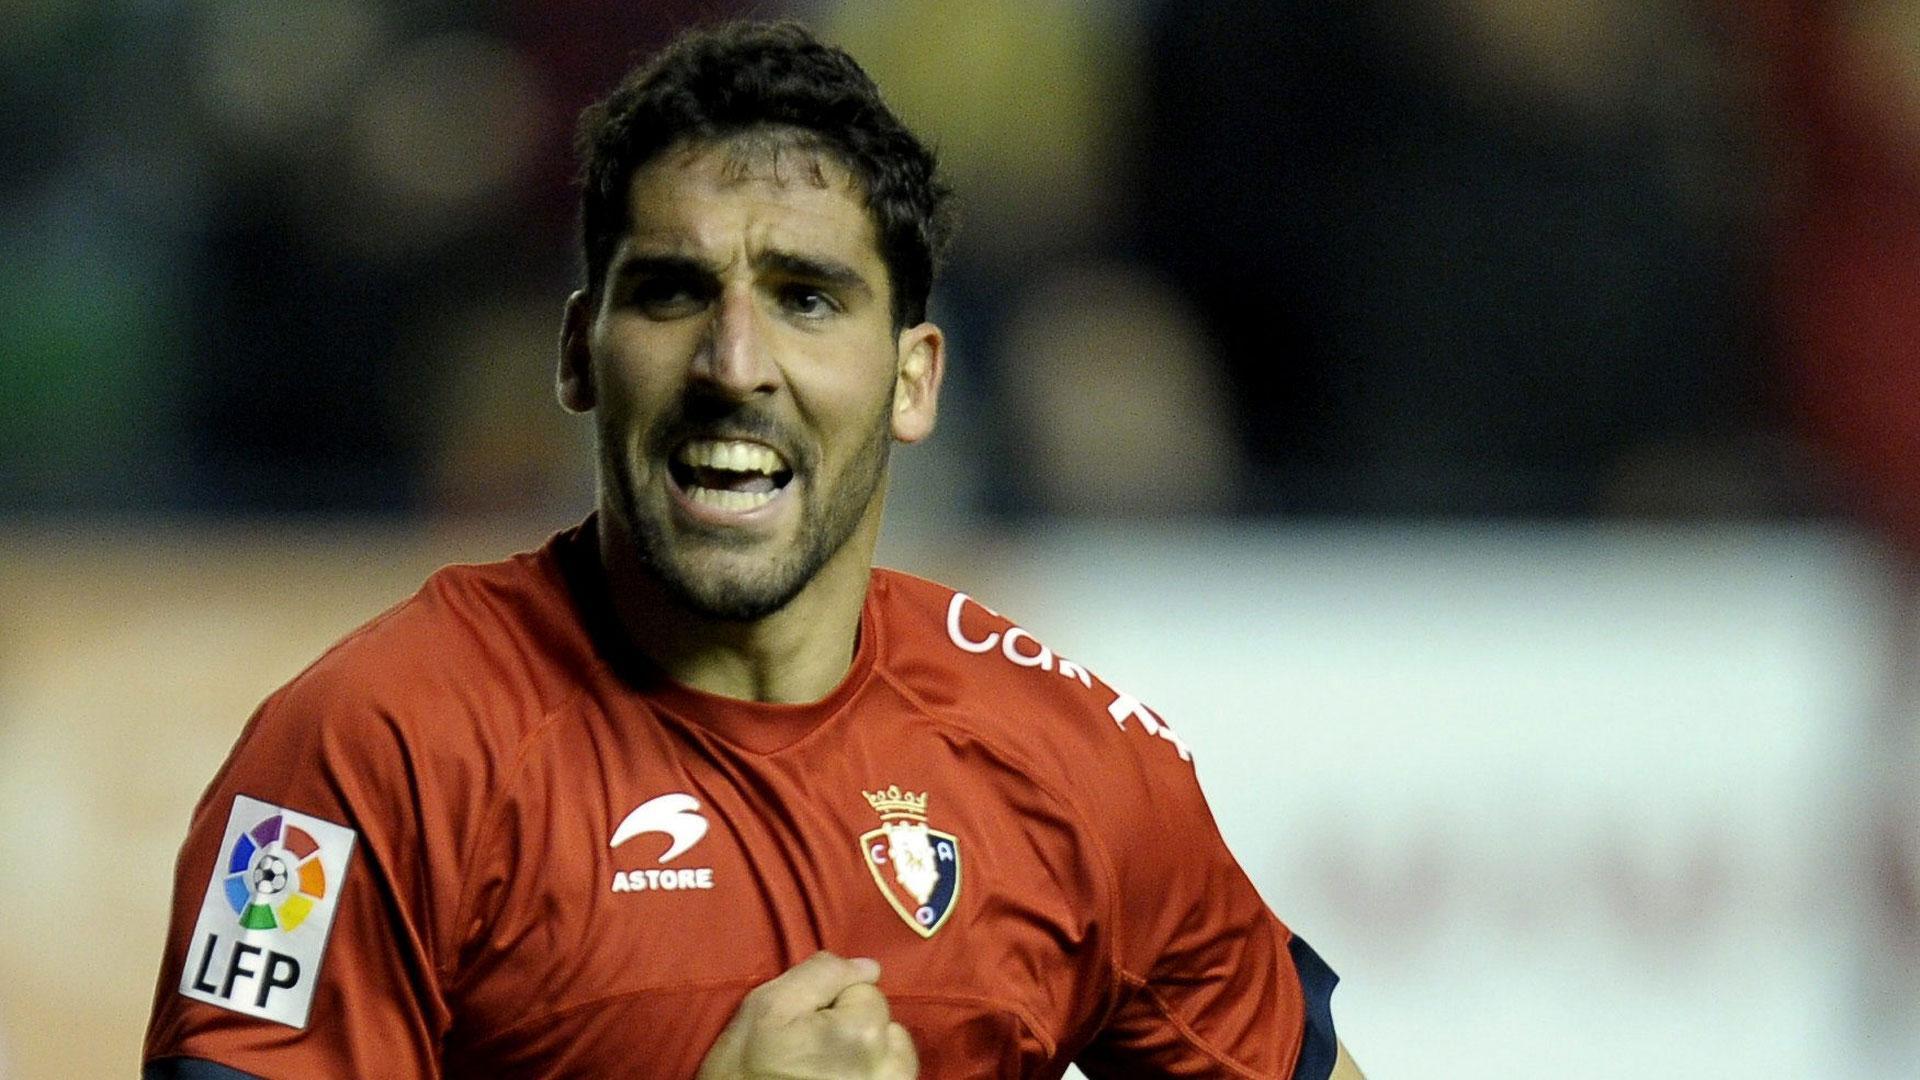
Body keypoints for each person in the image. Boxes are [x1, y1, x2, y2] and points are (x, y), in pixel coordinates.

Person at [142, 20, 1360, 1079]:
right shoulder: (361, 753)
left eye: (806, 298)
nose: (734, 365)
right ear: (577, 354)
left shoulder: (1074, 766)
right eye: (673, 292)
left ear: (914, 379)